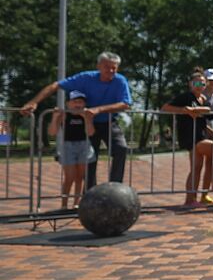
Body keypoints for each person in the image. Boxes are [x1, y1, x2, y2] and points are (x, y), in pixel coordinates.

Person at [18, 51, 131, 188]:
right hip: (87, 123)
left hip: (109, 122)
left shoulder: (120, 80)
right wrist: (34, 102)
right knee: (89, 158)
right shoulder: (85, 77)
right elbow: (55, 85)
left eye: (114, 68)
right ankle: (90, 192)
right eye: (107, 67)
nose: (111, 71)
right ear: (98, 66)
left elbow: (125, 104)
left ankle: (115, 188)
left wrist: (98, 110)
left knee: (121, 148)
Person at [161, 71, 213, 207]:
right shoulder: (186, 97)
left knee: (198, 167)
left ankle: (194, 198)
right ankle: (193, 197)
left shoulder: (203, 99)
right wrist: (184, 110)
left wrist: (208, 126)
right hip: (189, 136)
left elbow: (208, 114)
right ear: (190, 84)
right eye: (196, 83)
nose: (199, 86)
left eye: (202, 83)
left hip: (200, 135)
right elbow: (165, 108)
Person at [49, 89, 94, 210]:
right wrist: (55, 117)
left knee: (80, 176)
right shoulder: (64, 114)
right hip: (68, 146)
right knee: (69, 177)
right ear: (68, 103)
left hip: (83, 145)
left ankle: (76, 203)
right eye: (75, 101)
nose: (78, 104)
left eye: (80, 102)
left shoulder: (87, 114)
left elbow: (90, 132)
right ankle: (64, 205)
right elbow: (52, 132)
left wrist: (86, 119)